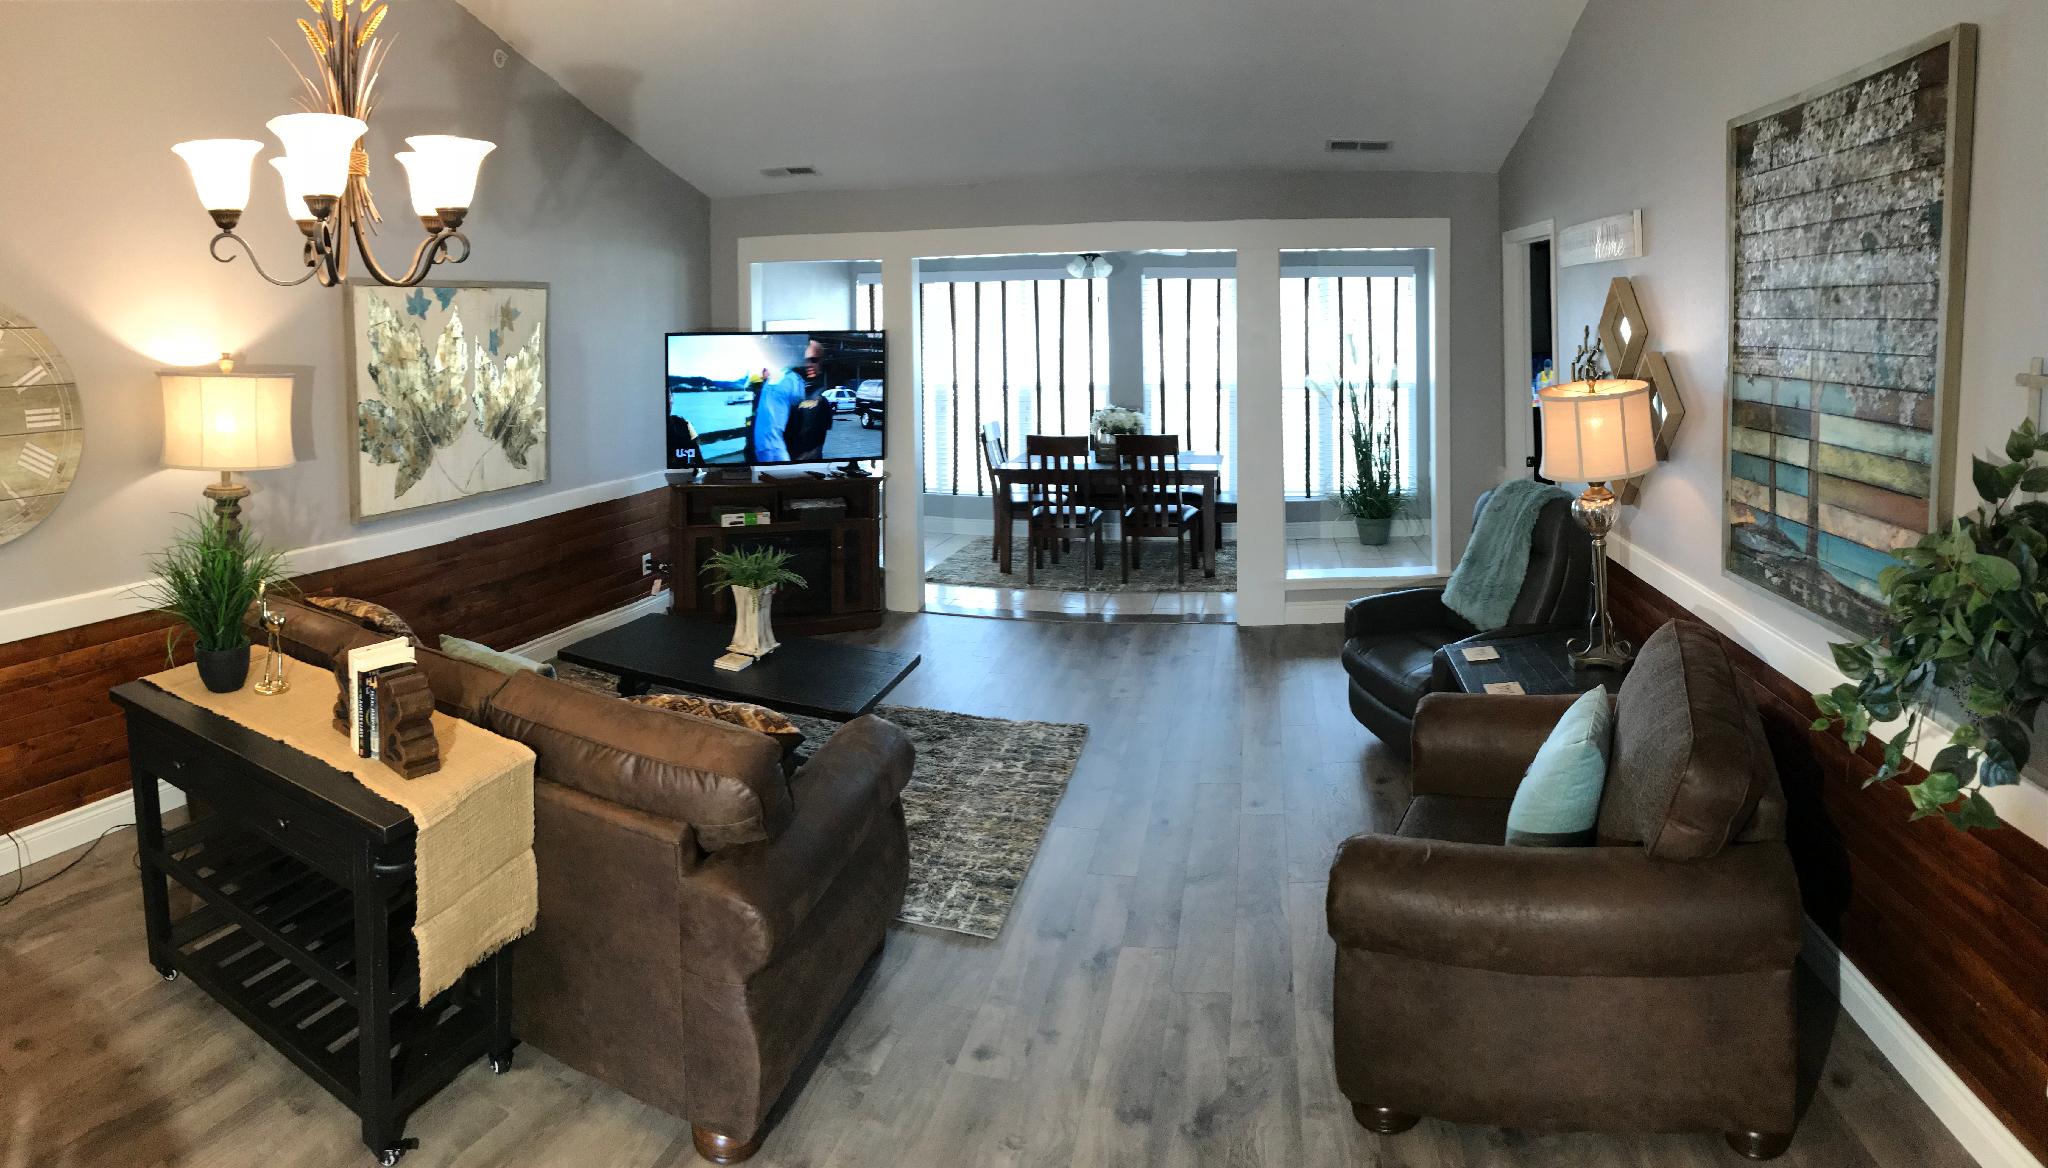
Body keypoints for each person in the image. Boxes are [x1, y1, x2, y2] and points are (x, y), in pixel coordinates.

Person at [750, 337, 834, 463]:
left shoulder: (822, 402)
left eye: (814, 360)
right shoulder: (776, 391)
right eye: (804, 360)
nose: (808, 364)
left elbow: (819, 441)